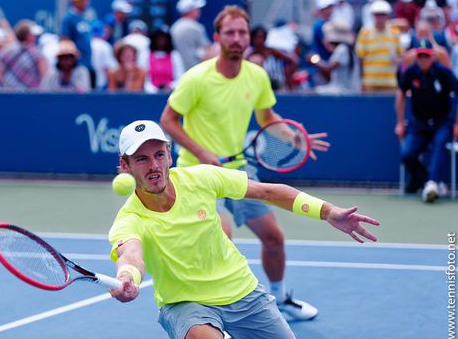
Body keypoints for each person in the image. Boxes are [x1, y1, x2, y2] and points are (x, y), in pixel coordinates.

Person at [109, 119, 380, 339]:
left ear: (170, 154)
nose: (154, 165)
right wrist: (127, 276)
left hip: (242, 292)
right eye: (142, 159)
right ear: (125, 166)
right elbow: (131, 255)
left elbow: (268, 192)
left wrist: (327, 211)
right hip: (186, 305)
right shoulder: (129, 218)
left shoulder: (201, 178)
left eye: (159, 154)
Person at [160, 5, 330, 321]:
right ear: (218, 37)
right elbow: (168, 120)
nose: (237, 38)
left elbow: (267, 117)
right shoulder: (197, 77)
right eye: (230, 33)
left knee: (274, 237)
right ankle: (216, 312)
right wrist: (202, 153)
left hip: (237, 168)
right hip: (197, 175)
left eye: (242, 32)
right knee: (222, 243)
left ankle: (279, 299)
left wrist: (295, 139)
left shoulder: (257, 75)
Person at [395, 39, 458, 202]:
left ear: (432, 57)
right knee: (407, 155)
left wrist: (457, 123)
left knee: (440, 143)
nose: (423, 59)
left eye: (426, 56)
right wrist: (400, 123)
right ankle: (431, 183)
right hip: (419, 124)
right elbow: (401, 95)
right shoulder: (411, 72)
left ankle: (432, 183)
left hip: (442, 122)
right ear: (416, 56)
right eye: (420, 56)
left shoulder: (443, 72)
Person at [355, 0, 403, 92]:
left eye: (383, 14)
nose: (380, 18)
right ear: (373, 16)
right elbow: (360, 58)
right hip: (370, 83)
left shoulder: (395, 32)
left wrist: (397, 60)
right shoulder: (365, 33)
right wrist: (361, 81)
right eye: (377, 14)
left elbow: (401, 55)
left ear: (387, 16)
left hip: (390, 84)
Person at [0, 19, 48, 90]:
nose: (35, 37)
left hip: (9, 95)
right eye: (33, 35)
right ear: (28, 36)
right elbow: (45, 76)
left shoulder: (4, 52)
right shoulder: (37, 54)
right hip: (32, 96)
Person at [61, 0, 96, 88]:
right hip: (76, 65)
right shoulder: (68, 18)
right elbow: (65, 39)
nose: (85, 2)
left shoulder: (86, 17)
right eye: (81, 0)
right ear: (74, 2)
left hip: (87, 62)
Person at [313, 20, 361, 93]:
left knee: (313, 92)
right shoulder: (347, 49)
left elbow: (327, 68)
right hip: (345, 89)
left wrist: (315, 61)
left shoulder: (342, 49)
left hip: (343, 91)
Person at [246, 25, 299, 91]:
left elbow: (293, 61)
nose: (259, 40)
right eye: (256, 38)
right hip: (262, 90)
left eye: (262, 37)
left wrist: (287, 74)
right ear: (252, 39)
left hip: (280, 89)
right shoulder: (250, 56)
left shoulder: (272, 51)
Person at [170, 0, 211, 70]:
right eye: (196, 9)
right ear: (190, 10)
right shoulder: (196, 27)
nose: (199, 11)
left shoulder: (174, 27)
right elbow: (207, 51)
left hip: (178, 71)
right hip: (197, 71)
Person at [145, 27, 184, 92]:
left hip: (171, 93)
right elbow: (145, 79)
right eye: (159, 38)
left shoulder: (175, 55)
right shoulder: (146, 55)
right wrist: (154, 90)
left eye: (164, 38)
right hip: (151, 94)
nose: (161, 41)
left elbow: (180, 77)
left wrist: (171, 86)